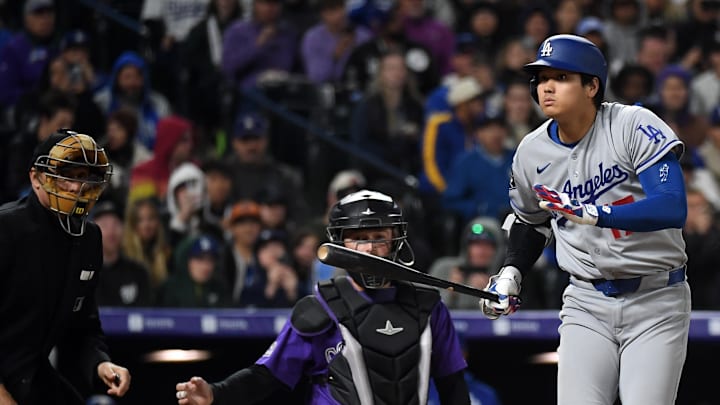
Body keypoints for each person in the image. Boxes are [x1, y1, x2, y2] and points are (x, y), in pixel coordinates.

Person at [478, 34, 691, 405]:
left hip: (657, 298)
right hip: (586, 301)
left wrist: (595, 213)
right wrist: (511, 272)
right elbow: (530, 221)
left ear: (592, 85)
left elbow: (672, 206)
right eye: (541, 79)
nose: (546, 87)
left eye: (560, 77)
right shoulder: (531, 151)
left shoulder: (631, 124)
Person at [175, 189, 470, 404]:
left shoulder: (429, 307)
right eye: (358, 239)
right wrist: (216, 392)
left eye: (379, 238)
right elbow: (267, 376)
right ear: (341, 245)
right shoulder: (320, 307)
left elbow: (452, 385)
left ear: (396, 240)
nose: (369, 249)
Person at [0, 130, 131, 403]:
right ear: (36, 179)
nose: (76, 187)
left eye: (85, 177)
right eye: (67, 175)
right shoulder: (6, 229)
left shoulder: (90, 239)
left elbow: (81, 325)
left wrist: (100, 363)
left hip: (30, 374)